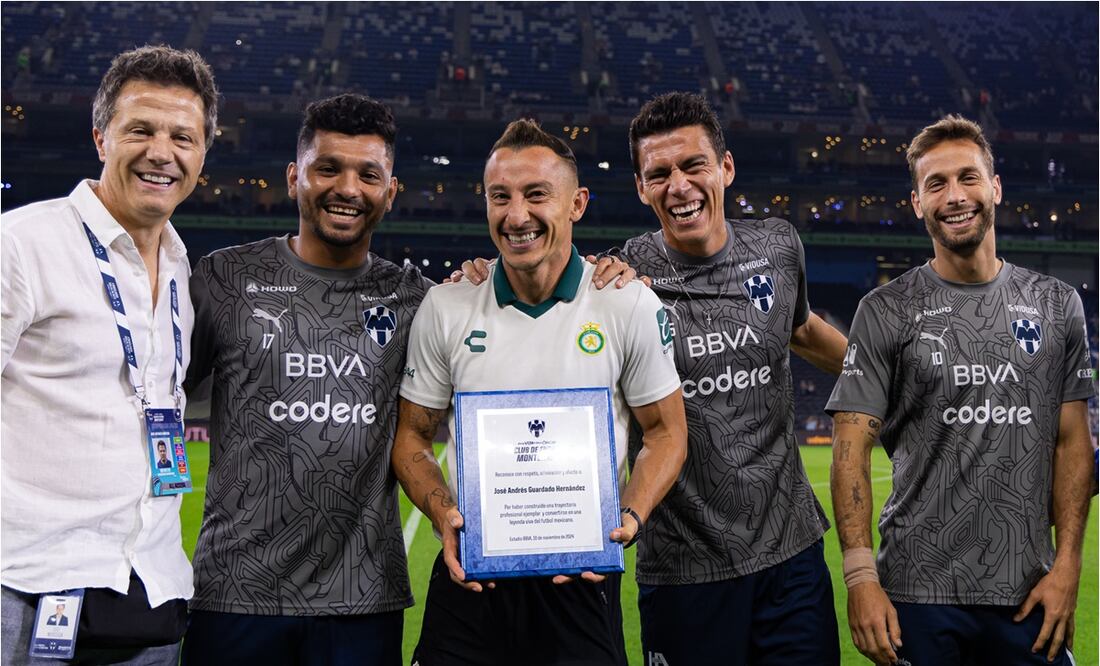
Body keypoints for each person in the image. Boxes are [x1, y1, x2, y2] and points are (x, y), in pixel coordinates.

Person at [453, 93, 848, 664]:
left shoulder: (778, 246)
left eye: (693, 166)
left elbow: (803, 329)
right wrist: (480, 274)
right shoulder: (618, 281)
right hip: (684, 569)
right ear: (641, 187)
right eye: (658, 173)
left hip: (792, 558)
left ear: (725, 169)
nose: (679, 186)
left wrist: (889, 376)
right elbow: (537, 268)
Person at [394, 119, 689, 665]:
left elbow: (667, 432)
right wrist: (442, 516)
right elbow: (411, 436)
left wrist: (631, 515)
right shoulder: (448, 305)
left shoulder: (627, 304)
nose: (516, 215)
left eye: (536, 195)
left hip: (580, 580)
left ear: (576, 204)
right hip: (472, 575)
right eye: (499, 197)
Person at [826, 115, 1095, 665]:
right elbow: (849, 450)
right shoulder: (885, 310)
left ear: (994, 187)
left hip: (1029, 593)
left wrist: (1068, 564)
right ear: (917, 203)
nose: (955, 196)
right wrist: (859, 579)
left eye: (968, 178)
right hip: (917, 595)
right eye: (936, 184)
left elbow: (1073, 443)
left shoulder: (1057, 303)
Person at [181, 94, 428, 665]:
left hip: (361, 601)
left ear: (390, 192)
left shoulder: (417, 298)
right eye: (327, 168)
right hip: (236, 594)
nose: (347, 187)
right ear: (295, 178)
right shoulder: (225, 277)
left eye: (368, 174)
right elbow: (153, 394)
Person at [1, 45, 218, 665]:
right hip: (27, 586)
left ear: (203, 152)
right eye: (140, 129)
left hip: (149, 589)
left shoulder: (179, 265)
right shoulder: (22, 246)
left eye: (183, 135)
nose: (162, 151)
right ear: (101, 137)